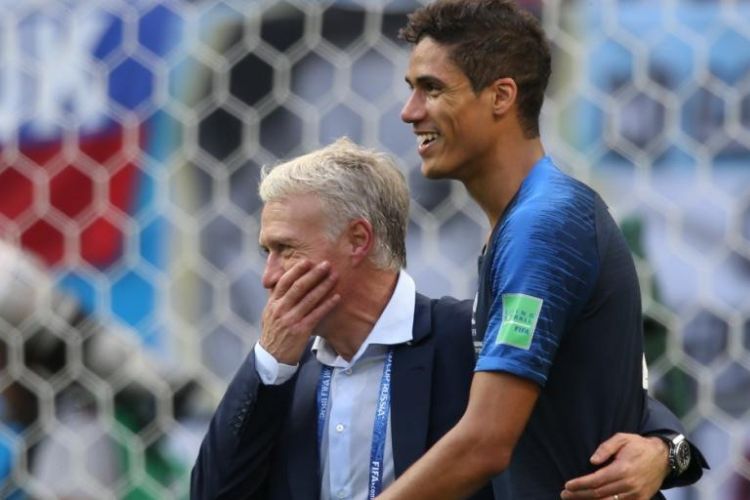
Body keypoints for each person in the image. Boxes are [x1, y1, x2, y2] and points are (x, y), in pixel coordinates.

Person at [189, 138, 704, 500]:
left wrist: (662, 453)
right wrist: (268, 367)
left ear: (358, 240)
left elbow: (649, 427)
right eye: (266, 252)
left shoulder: (468, 339)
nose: (269, 276)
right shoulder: (281, 376)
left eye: (286, 250)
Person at [379, 1, 708, 499]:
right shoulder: (527, 222)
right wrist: (669, 449)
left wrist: (668, 452)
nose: (410, 112)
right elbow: (606, 395)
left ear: (501, 96)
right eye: (411, 90)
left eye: (432, 88)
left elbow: (485, 443)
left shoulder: (544, 225)